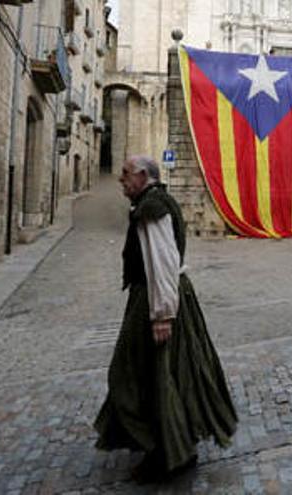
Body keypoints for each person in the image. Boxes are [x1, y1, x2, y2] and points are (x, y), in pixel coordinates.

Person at [95, 156, 238, 482]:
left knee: (138, 375)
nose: (120, 181)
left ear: (143, 176)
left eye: (126, 175)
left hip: (158, 298)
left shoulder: (153, 208)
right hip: (164, 296)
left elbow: (162, 260)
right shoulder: (157, 201)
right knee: (167, 375)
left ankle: (166, 453)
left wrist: (162, 315)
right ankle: (171, 445)